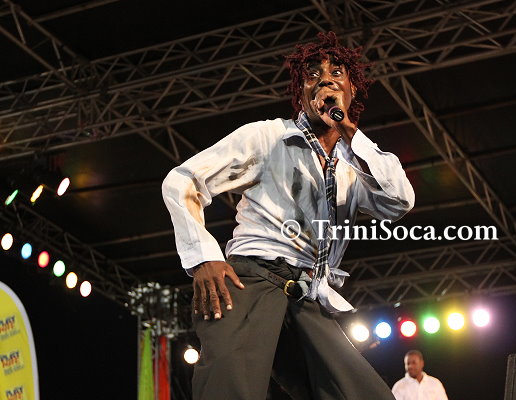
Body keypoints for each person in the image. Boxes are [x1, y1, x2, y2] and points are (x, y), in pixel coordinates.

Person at [162, 31, 415, 400]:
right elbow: (182, 180)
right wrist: (203, 257)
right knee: (230, 386)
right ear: (301, 93)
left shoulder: (354, 169)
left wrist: (350, 132)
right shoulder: (268, 137)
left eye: (336, 73)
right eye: (313, 75)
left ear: (352, 91)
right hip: (251, 279)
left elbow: (399, 201)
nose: (325, 80)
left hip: (308, 294)